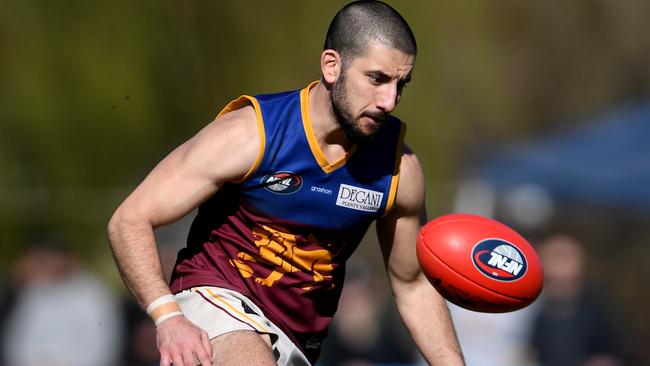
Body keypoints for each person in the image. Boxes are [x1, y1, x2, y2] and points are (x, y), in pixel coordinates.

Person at [108, 1, 464, 365]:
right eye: (376, 79)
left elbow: (412, 284)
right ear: (331, 65)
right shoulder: (251, 134)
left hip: (299, 339)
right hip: (216, 302)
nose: (389, 101)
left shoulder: (398, 170)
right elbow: (129, 220)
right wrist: (168, 317)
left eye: (400, 84)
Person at [530, 234, 626, 366]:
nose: (557, 263)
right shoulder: (524, 307)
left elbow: (610, 354)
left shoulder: (598, 310)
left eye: (563, 256)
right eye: (552, 255)